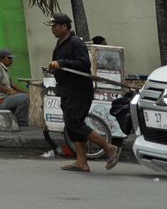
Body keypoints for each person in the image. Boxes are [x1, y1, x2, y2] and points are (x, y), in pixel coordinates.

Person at [48, 13, 117, 171]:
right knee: (71, 124)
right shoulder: (61, 43)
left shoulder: (75, 42)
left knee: (75, 123)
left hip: (79, 91)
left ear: (64, 26)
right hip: (67, 90)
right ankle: (81, 161)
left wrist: (61, 63)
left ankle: (108, 147)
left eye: (55, 26)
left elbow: (84, 63)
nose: (52, 29)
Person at [0, 48, 28, 126]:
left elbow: (12, 85)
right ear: (2, 58)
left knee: (25, 96)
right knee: (23, 98)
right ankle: (22, 123)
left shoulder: (5, 69)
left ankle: (17, 121)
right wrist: (8, 90)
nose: (11, 60)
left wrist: (25, 92)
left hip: (6, 99)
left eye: (12, 58)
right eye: (9, 58)